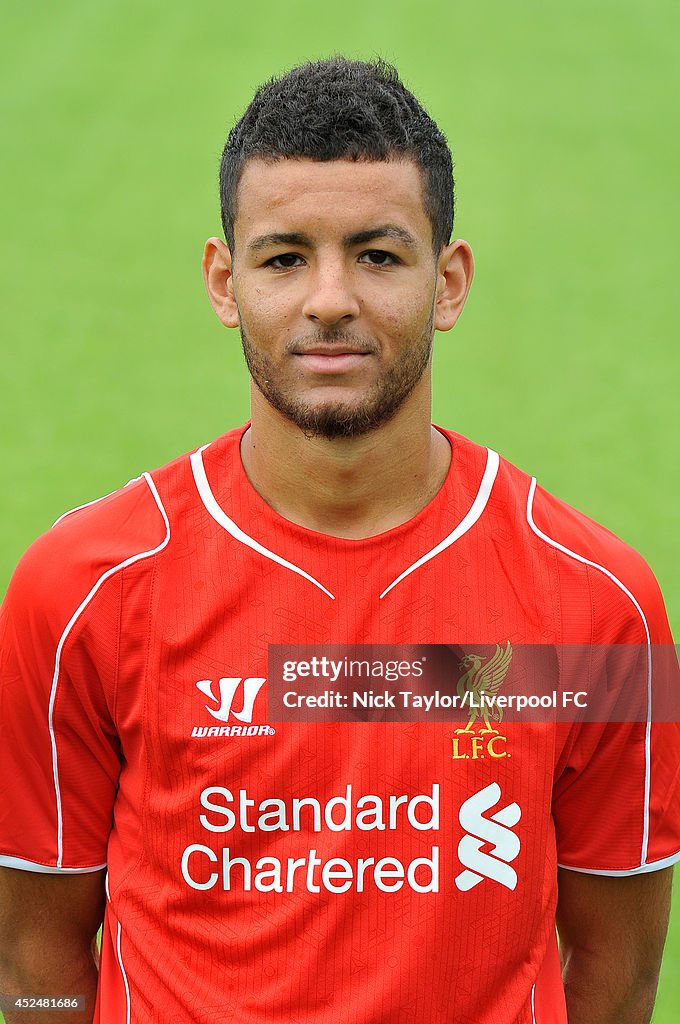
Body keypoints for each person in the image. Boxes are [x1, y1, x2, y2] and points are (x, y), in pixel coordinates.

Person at [0, 57, 678, 1024]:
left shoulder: (601, 605)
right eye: (284, 258)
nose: (329, 300)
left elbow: (617, 972)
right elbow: (34, 958)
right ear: (223, 281)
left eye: (377, 254)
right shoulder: (78, 594)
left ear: (448, 283)